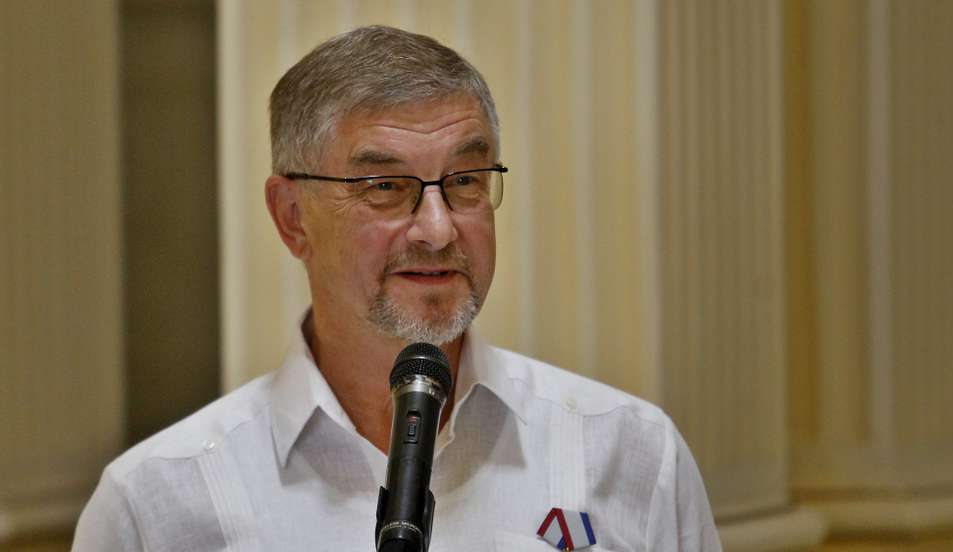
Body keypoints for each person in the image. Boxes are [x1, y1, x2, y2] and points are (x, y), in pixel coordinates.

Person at [73, 25, 721, 551]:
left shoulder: (630, 452)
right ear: (292, 217)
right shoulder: (156, 503)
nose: (438, 230)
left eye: (466, 180)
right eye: (385, 187)